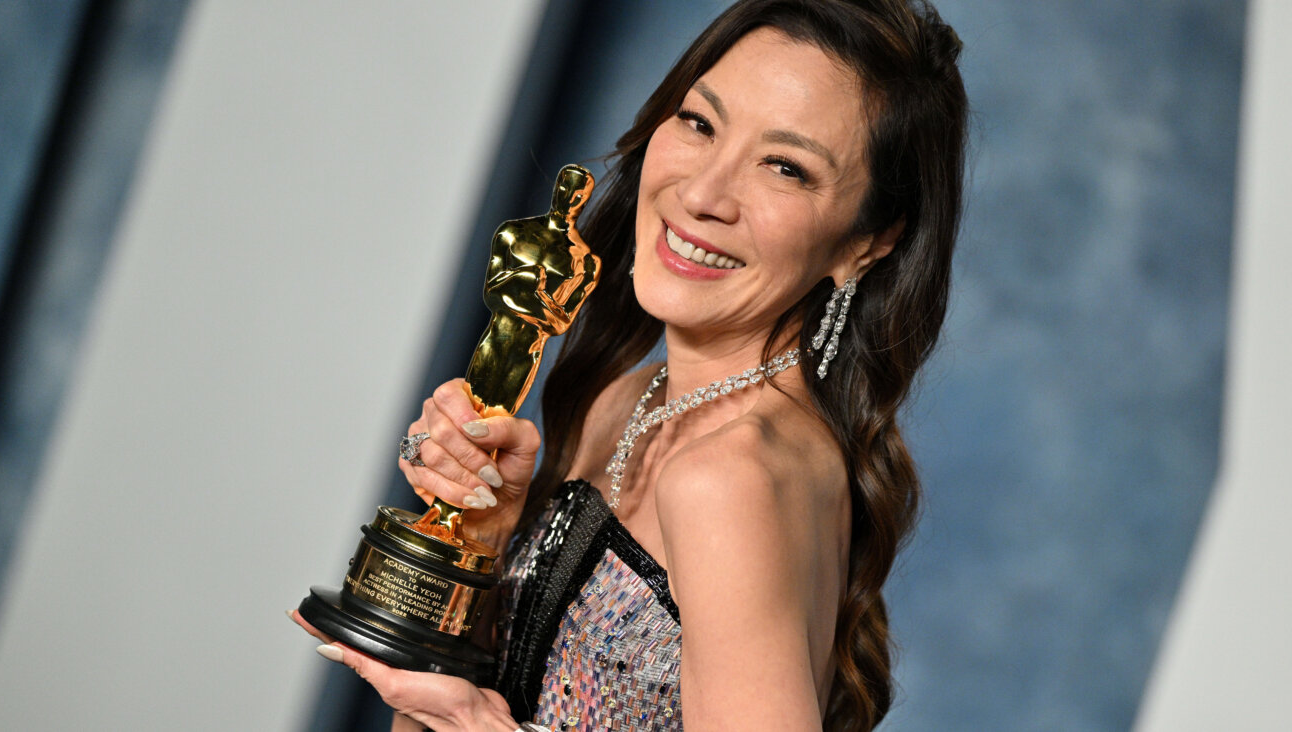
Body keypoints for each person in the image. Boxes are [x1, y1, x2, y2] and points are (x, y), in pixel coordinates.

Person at [292, 0, 967, 729]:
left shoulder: (728, 476)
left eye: (785, 167)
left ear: (867, 242)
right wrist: (480, 539)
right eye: (699, 122)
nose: (704, 194)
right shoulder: (631, 399)